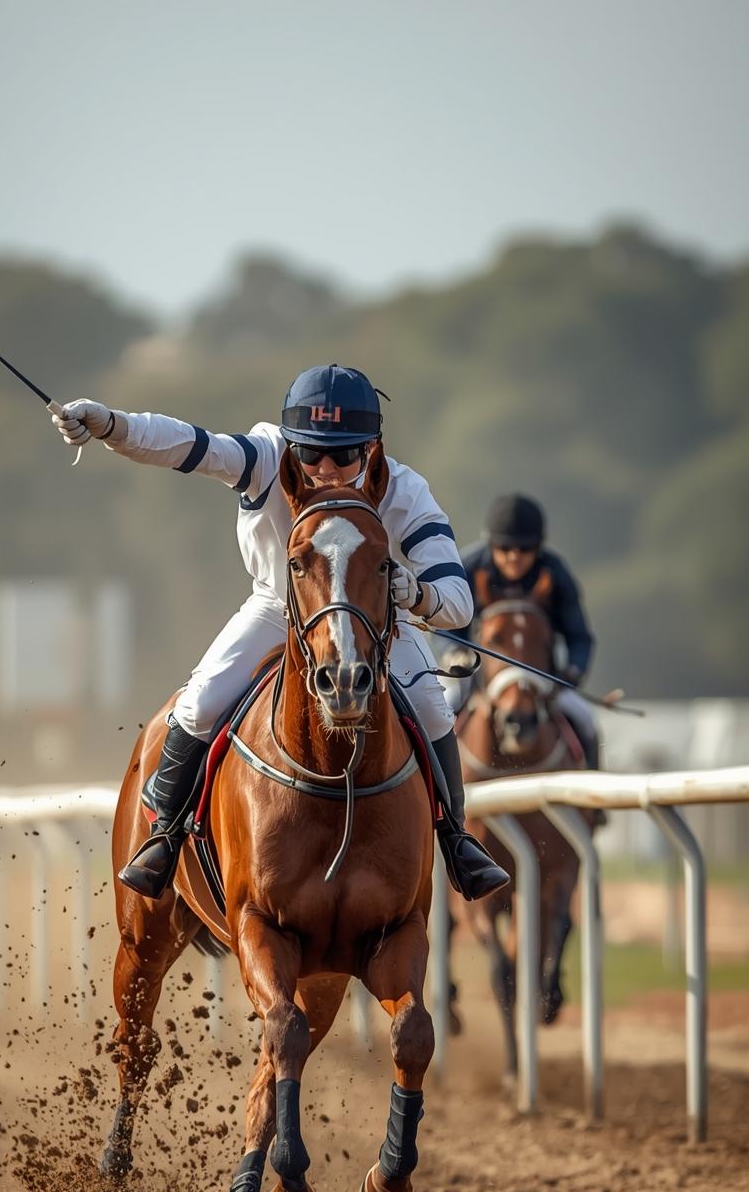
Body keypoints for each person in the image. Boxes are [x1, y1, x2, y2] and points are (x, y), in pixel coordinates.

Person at [51, 364, 509, 901]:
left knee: (433, 710)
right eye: (310, 453)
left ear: (372, 449)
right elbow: (185, 444)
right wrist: (112, 426)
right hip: (278, 607)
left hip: (375, 616)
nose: (325, 469)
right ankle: (165, 836)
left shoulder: (404, 489)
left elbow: (457, 602)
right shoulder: (265, 458)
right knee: (200, 703)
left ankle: (457, 840)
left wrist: (415, 594)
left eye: (344, 454)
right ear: (291, 445)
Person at [451, 493, 600, 768]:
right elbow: (446, 622)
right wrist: (454, 652)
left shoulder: (556, 573)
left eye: (525, 549)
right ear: (491, 544)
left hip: (543, 677)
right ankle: (435, 789)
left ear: (538, 547)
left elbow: (579, 637)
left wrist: (572, 672)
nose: (514, 557)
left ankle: (594, 791)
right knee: (436, 713)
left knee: (586, 720)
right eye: (505, 548)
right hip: (476, 673)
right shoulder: (468, 569)